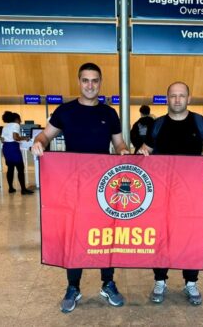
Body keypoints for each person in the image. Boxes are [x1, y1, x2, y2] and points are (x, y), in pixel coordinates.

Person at [31, 63, 129, 313]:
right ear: (79, 82)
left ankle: (108, 282)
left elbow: (119, 144)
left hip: (104, 186)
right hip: (74, 185)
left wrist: (123, 151)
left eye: (95, 81)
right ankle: (73, 286)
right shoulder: (65, 111)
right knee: (75, 234)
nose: (90, 85)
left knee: (107, 234)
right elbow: (45, 136)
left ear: (100, 82)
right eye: (85, 80)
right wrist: (38, 143)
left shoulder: (109, 113)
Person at [137, 81, 203, 306]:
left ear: (189, 98)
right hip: (162, 193)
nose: (177, 100)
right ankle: (160, 280)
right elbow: (146, 150)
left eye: (181, 95)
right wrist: (143, 152)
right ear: (167, 98)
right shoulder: (158, 125)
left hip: (191, 194)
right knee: (161, 235)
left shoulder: (200, 123)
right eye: (173, 96)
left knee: (191, 235)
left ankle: (191, 281)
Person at [1, 111, 33, 195]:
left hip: (6, 147)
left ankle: (11, 188)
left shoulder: (5, 126)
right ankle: (23, 189)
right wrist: (24, 138)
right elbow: (15, 137)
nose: (20, 121)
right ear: (16, 119)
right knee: (20, 169)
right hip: (13, 148)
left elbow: (2, 139)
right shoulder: (16, 125)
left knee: (10, 168)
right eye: (19, 119)